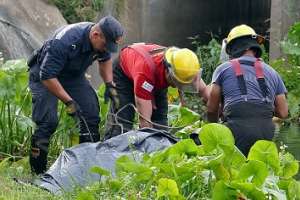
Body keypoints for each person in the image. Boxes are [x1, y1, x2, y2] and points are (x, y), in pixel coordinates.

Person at [27, 15, 124, 174]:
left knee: (90, 115)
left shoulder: (101, 42)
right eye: (106, 45)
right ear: (95, 35)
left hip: (72, 75)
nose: (107, 49)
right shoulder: (64, 42)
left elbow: (104, 59)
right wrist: (69, 102)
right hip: (44, 76)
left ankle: (85, 169)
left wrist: (109, 84)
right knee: (47, 122)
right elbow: (47, 76)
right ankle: (38, 172)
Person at [207, 24, 288, 155]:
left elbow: (211, 109)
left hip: (235, 132)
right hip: (265, 134)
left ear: (232, 48)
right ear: (255, 48)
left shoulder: (222, 69)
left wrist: (213, 127)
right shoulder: (273, 72)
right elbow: (283, 113)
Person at [104, 43, 209, 139]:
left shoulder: (185, 67)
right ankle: (110, 151)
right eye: (180, 83)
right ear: (169, 73)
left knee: (160, 121)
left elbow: (206, 93)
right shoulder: (145, 73)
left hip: (154, 74)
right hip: (124, 74)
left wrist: (215, 114)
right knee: (123, 119)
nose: (182, 86)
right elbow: (145, 122)